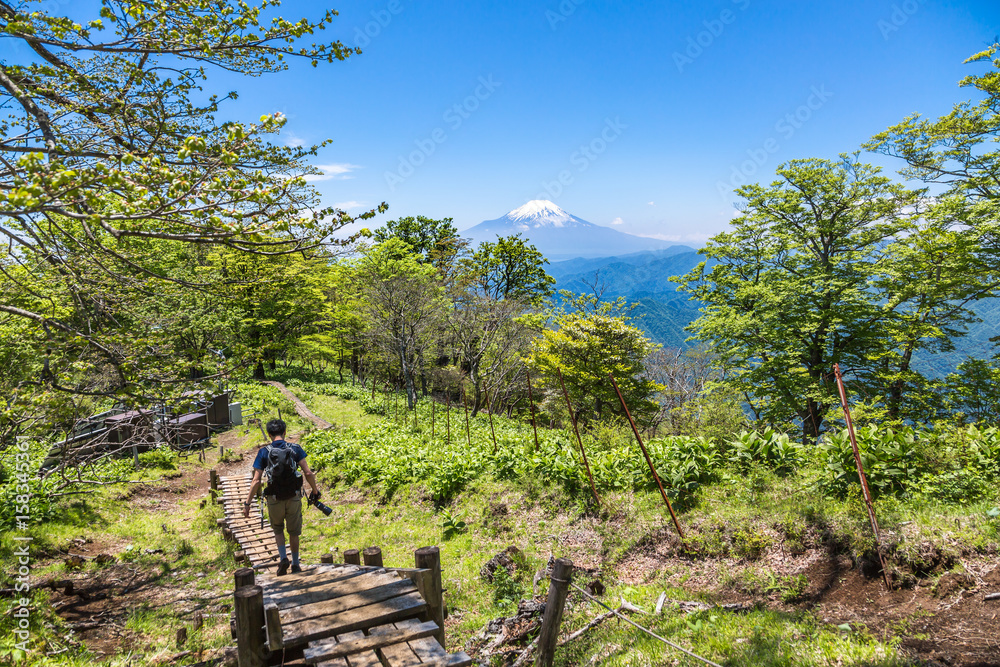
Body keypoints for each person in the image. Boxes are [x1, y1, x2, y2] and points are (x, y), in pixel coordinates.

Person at [242, 418, 321, 575]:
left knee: (278, 529)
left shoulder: (264, 452)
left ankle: (284, 558)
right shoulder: (295, 448)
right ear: (285, 432)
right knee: (294, 532)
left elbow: (256, 481)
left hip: (274, 498)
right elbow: (307, 472)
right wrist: (315, 491)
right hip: (294, 497)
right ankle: (296, 564)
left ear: (270, 435)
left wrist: (247, 503)